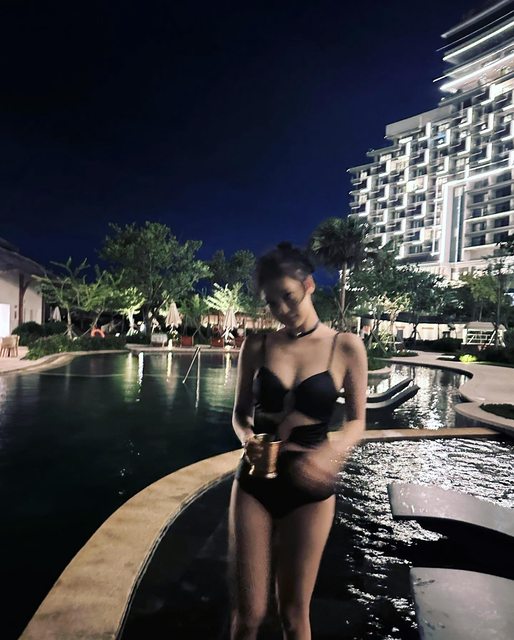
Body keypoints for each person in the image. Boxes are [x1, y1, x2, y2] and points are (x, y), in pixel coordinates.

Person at [228, 242, 367, 640]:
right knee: (248, 615)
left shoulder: (344, 346)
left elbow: (357, 421)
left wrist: (331, 453)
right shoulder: (257, 345)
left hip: (311, 488)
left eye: (288, 297)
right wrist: (247, 439)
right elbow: (240, 414)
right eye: (272, 303)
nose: (282, 310)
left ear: (309, 285)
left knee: (293, 614)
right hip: (256, 480)